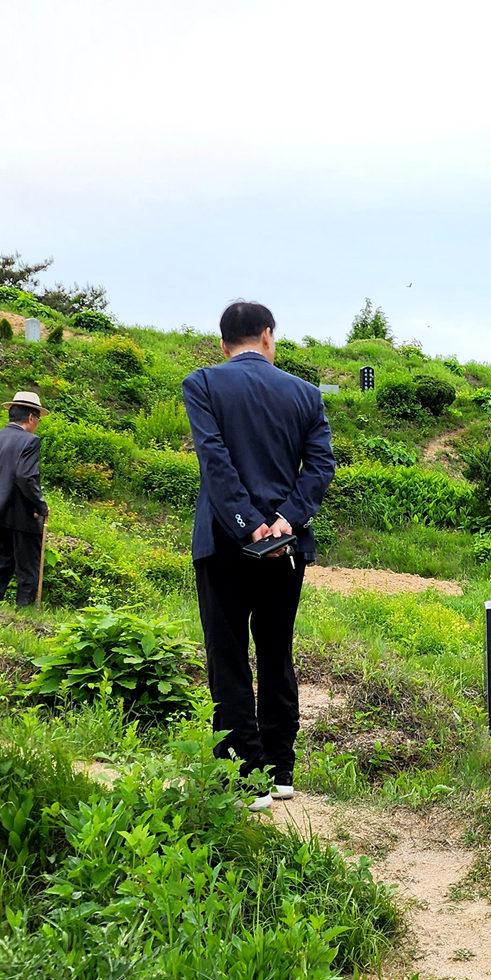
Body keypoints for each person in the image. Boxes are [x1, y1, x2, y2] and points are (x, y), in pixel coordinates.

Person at [184, 300, 335, 809]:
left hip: (223, 543)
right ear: (268, 335)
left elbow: (215, 461)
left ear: (223, 344)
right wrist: (285, 520)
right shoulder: (306, 394)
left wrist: (247, 524)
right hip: (286, 545)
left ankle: (245, 778)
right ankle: (280, 770)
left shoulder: (203, 383)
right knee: (276, 651)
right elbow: (320, 468)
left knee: (227, 656)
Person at [0, 391, 50, 606]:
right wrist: (41, 505)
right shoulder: (30, 441)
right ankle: (25, 614)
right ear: (31, 417)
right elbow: (25, 476)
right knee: (28, 570)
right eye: (38, 419)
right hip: (22, 517)